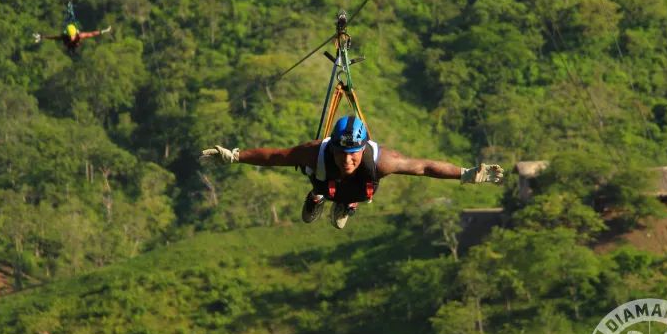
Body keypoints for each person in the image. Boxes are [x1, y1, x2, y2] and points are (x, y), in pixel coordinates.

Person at [199, 116, 504, 229]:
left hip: (357, 187)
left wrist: (465, 174)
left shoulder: (383, 161)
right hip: (325, 181)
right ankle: (317, 198)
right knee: (322, 184)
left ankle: (347, 204)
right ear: (332, 147)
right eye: (341, 153)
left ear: (362, 150)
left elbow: (424, 167)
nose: (347, 160)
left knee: (363, 190)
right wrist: (235, 156)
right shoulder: (315, 152)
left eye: (353, 154)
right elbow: (275, 157)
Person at [33, 23, 111, 54]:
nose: (71, 37)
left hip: (75, 44)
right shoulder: (65, 37)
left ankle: (73, 50)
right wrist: (42, 37)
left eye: (72, 36)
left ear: (74, 34)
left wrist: (104, 31)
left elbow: (92, 34)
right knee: (64, 40)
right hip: (69, 44)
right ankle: (71, 49)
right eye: (70, 35)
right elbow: (54, 37)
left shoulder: (79, 36)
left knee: (75, 44)